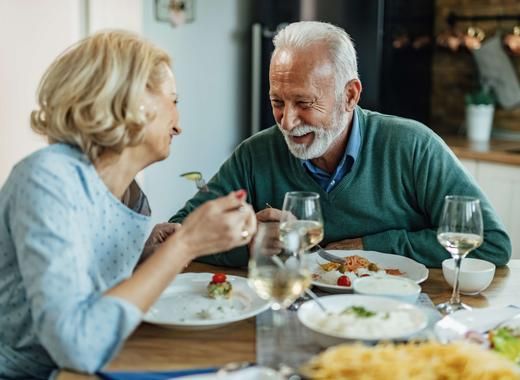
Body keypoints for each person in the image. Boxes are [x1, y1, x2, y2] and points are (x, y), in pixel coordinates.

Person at [0, 30, 256, 379]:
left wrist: (143, 261)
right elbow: (78, 345)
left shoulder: (132, 197)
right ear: (132, 100)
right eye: (174, 100)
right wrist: (185, 245)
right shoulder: (47, 179)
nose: (179, 125)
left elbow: (93, 297)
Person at [170, 21, 511, 268]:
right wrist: (252, 244)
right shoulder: (255, 154)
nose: (287, 122)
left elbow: (491, 243)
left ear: (350, 95)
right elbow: (180, 236)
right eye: (277, 102)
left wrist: (374, 248)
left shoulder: (413, 146)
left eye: (304, 103)